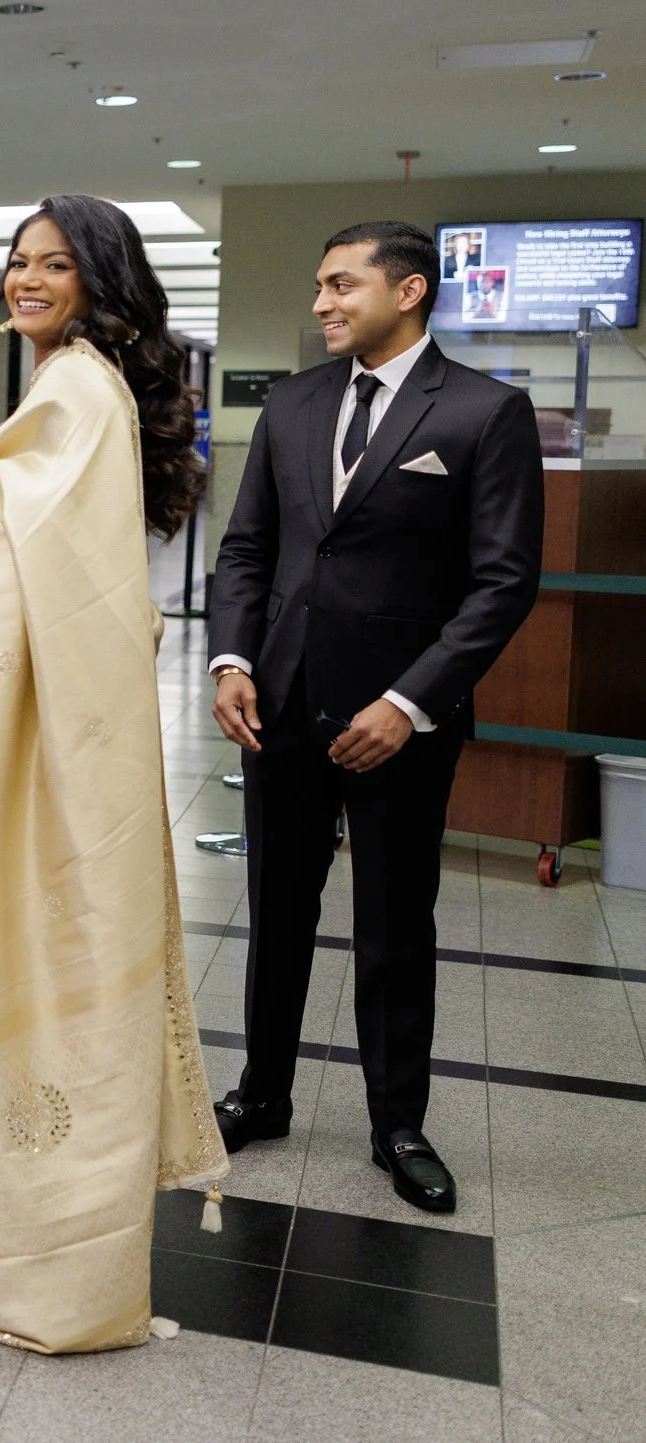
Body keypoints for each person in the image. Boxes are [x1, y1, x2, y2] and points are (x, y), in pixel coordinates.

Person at [0, 195, 226, 1353]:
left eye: (54, 264)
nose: (26, 279)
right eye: (16, 262)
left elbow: (48, 538)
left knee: (40, 924)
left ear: (97, 281)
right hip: (72, 703)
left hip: (61, 715)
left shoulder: (75, 382)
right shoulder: (72, 381)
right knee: (44, 928)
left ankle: (49, 1242)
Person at [208, 221, 542, 1214]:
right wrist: (231, 657)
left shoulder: (485, 411)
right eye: (317, 285)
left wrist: (408, 701)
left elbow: (501, 582)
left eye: (339, 284)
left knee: (394, 925)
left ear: (407, 290)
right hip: (279, 705)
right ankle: (261, 1091)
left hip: (398, 721)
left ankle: (396, 1120)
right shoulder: (295, 403)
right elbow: (246, 548)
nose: (320, 302)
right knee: (275, 911)